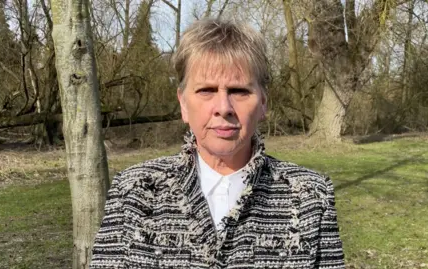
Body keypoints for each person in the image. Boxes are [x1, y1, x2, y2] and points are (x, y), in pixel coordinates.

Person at [90, 18, 345, 269]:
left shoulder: (310, 196)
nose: (223, 108)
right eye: (206, 90)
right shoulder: (133, 192)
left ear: (264, 103)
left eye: (239, 91)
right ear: (183, 103)